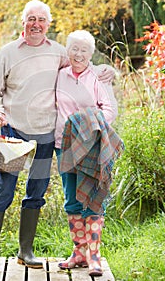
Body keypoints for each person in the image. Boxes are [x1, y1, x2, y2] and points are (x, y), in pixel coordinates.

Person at [0, 0, 116, 273]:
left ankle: (25, 251)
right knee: (4, 192)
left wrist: (108, 71)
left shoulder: (58, 52)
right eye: (31, 18)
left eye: (41, 19)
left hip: (45, 136)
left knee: (36, 193)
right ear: (23, 22)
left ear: (48, 24)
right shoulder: (7, 53)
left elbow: (82, 65)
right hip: (12, 132)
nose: (36, 24)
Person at [55, 30, 124, 277]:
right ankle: (79, 252)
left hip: (92, 145)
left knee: (93, 199)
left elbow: (110, 109)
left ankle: (94, 257)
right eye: (74, 48)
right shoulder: (58, 75)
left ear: (91, 54)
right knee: (71, 199)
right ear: (67, 50)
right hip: (63, 146)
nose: (79, 54)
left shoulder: (98, 77)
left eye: (84, 50)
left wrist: (89, 127)